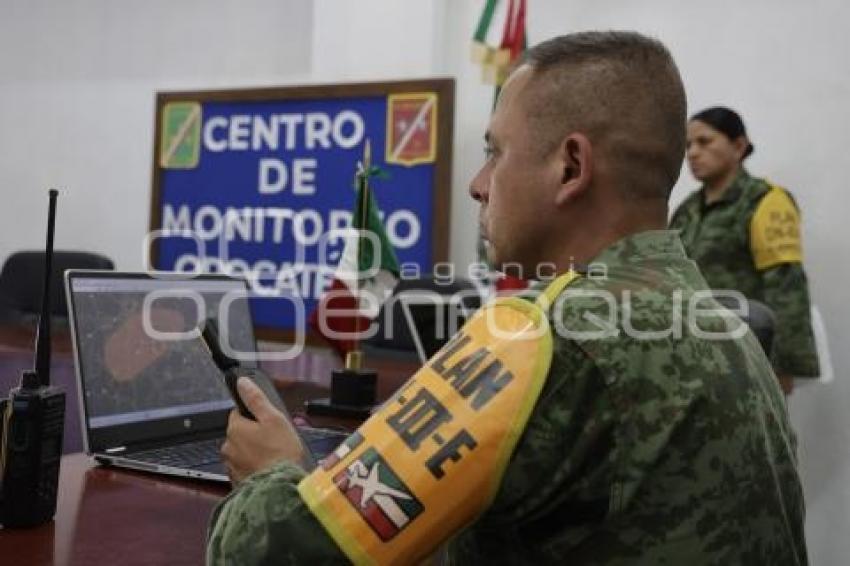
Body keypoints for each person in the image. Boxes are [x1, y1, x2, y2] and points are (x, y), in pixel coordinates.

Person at [207, 32, 807, 564]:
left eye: (495, 151)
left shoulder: (538, 338)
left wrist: (272, 474)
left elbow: (278, 553)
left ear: (571, 167)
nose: (477, 183)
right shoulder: (723, 320)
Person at [670, 107, 820, 394]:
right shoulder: (687, 211)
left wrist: (783, 366)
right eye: (688, 145)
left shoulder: (765, 201)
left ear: (738, 146)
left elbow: (786, 287)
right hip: (695, 357)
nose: (692, 153)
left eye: (705, 142)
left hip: (750, 357)